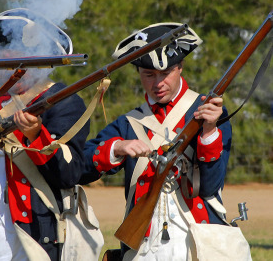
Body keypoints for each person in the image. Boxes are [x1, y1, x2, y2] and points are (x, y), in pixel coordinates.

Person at [0, 8, 102, 261]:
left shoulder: (63, 102)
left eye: (16, 51)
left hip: (30, 234)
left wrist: (36, 134)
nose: (6, 57)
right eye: (1, 50)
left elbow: (69, 173)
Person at [80, 23, 232, 260]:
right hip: (145, 245)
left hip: (198, 241)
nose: (158, 83)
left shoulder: (208, 113)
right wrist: (117, 147)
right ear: (139, 73)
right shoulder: (129, 123)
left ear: (180, 67)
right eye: (149, 75)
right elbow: (80, 166)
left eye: (165, 73)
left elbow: (211, 186)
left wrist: (209, 130)